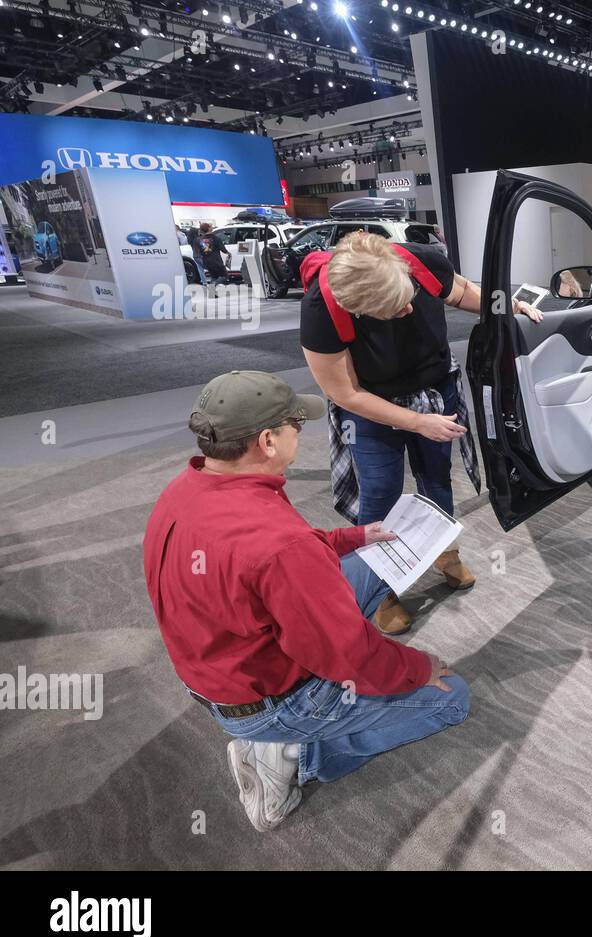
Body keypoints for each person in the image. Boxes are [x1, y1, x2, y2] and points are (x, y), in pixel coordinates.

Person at [142, 370, 468, 831]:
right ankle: (297, 754)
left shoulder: (185, 489)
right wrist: (421, 667)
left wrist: (349, 537)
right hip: (271, 699)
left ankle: (277, 738)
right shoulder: (282, 547)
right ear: (268, 442)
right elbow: (348, 657)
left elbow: (263, 557)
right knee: (452, 698)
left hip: (220, 669)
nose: (301, 431)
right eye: (295, 424)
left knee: (374, 557)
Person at [300, 231, 543, 620]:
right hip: (372, 404)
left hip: (434, 386)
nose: (409, 312)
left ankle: (444, 553)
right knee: (380, 491)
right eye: (395, 310)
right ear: (359, 309)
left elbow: (460, 291)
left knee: (436, 478)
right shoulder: (321, 308)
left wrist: (508, 306)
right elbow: (346, 393)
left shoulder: (423, 260)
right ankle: (377, 587)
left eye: (408, 298)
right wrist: (416, 422)